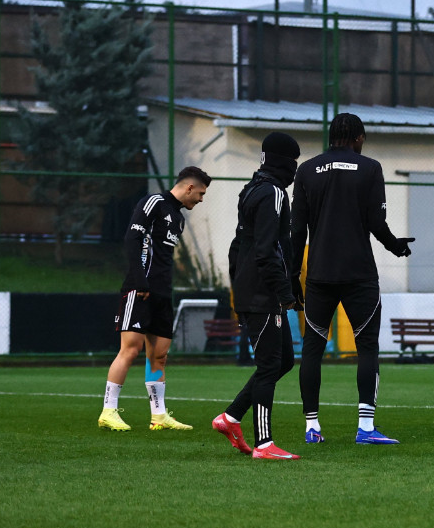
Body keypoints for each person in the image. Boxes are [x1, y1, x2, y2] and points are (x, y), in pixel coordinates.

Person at [292, 113, 412, 445]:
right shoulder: (370, 168)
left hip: (318, 274)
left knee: (313, 349)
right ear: (357, 138)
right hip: (359, 273)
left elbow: (296, 230)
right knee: (367, 347)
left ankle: (311, 428)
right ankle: (366, 428)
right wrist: (396, 246)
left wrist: (291, 274)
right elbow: (376, 220)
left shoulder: (306, 170)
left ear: (331, 137)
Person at [98, 166, 211, 432]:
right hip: (140, 290)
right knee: (130, 349)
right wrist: (139, 280)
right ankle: (108, 410)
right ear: (189, 187)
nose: (201, 200)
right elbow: (132, 239)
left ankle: (158, 416)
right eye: (201, 194)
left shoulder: (179, 218)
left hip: (162, 293)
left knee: (159, 356)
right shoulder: (154, 203)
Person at [212, 133, 301, 460]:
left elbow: (239, 248)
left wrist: (240, 291)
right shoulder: (274, 193)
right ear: (284, 163)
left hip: (252, 289)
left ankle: (231, 416)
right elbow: (269, 249)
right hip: (264, 292)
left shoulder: (251, 190)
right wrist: (283, 291)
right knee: (269, 366)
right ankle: (264, 444)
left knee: (285, 361)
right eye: (294, 163)